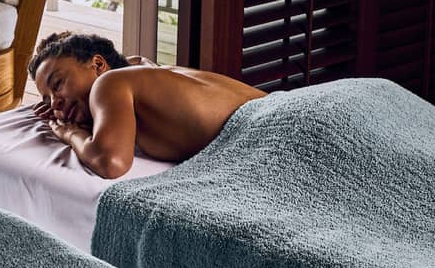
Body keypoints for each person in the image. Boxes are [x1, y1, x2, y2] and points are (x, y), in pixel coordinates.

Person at [29, 32, 265, 179]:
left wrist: (69, 133)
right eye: (47, 100)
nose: (55, 103)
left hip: (271, 127)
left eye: (57, 84)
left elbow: (111, 163)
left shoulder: (109, 83)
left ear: (98, 64)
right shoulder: (142, 76)